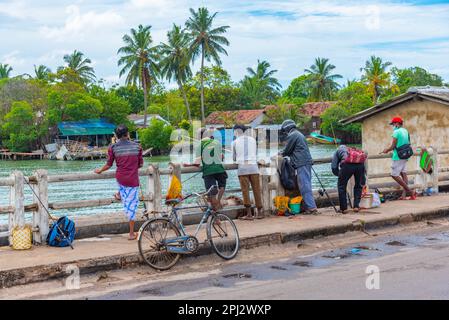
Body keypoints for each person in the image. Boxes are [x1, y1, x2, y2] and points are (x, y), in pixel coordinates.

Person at [94, 125, 143, 240]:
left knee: (124, 191)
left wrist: (100, 170)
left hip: (120, 178)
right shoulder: (137, 147)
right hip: (132, 179)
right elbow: (140, 164)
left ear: (116, 136)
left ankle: (119, 194)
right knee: (131, 207)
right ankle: (131, 234)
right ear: (128, 134)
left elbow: (109, 164)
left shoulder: (113, 147)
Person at [279, 119, 318, 214]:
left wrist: (279, 153)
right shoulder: (298, 134)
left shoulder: (293, 135)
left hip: (302, 163)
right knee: (306, 184)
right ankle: (309, 207)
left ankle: (312, 208)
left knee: (304, 186)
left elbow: (287, 150)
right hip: (305, 162)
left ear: (287, 128)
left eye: (284, 130)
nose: (285, 133)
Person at [184, 128, 227, 211]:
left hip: (208, 171)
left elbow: (197, 163)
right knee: (222, 187)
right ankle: (218, 201)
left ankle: (216, 215)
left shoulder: (200, 144)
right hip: (220, 169)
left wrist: (188, 164)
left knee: (211, 194)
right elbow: (222, 157)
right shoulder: (216, 142)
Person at [232, 124, 264, 220]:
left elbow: (234, 158)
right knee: (256, 190)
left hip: (243, 169)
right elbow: (255, 154)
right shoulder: (253, 140)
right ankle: (260, 213)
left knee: (245, 191)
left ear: (237, 131)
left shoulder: (234, 142)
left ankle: (249, 214)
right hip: (254, 168)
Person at [381, 116, 416, 200]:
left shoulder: (396, 132)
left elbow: (393, 146)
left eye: (393, 124)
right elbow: (408, 142)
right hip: (406, 154)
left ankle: (410, 192)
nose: (393, 125)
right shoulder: (405, 130)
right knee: (403, 173)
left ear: (397, 123)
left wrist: (387, 150)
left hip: (398, 156)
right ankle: (404, 195)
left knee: (394, 175)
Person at [331, 145, 366, 213]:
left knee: (341, 186)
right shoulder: (352, 150)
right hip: (360, 165)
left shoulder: (337, 151)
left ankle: (344, 208)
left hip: (347, 165)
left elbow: (334, 166)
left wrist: (339, 175)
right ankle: (356, 206)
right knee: (358, 186)